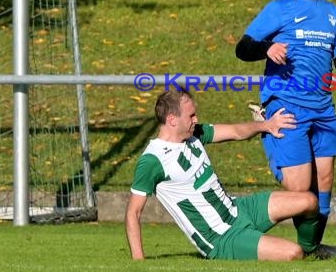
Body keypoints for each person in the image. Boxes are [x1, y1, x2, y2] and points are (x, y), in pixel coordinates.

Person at [235, 0, 336, 260]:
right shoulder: (279, 9)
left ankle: (310, 247)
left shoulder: (333, 13)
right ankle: (243, 219)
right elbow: (242, 48)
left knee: (324, 179)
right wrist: (266, 48)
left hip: (323, 107)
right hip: (287, 105)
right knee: (299, 189)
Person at [125, 90, 320, 261]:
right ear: (172, 119)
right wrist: (139, 261)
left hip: (238, 210)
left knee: (309, 201)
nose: (196, 120)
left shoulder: (194, 135)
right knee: (292, 253)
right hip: (221, 238)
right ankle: (296, 251)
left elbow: (235, 132)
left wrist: (266, 125)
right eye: (191, 116)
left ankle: (313, 250)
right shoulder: (152, 160)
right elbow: (133, 212)